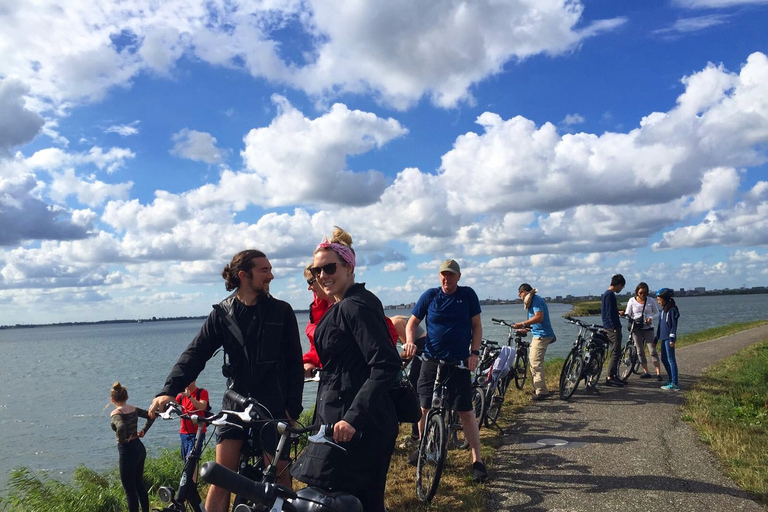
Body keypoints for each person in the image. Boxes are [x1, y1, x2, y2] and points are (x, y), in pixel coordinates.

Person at [148, 250, 304, 512]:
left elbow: (294, 365)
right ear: (244, 276)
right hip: (236, 400)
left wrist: (292, 409)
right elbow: (195, 354)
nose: (271, 275)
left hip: (274, 403)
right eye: (264, 270)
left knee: (278, 476)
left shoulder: (281, 311)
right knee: (219, 476)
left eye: (270, 269)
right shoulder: (222, 314)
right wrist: (168, 391)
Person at [291, 227, 401, 512]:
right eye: (317, 271)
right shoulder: (344, 305)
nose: (322, 276)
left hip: (357, 425)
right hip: (345, 420)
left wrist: (353, 418)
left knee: (351, 501)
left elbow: (385, 363)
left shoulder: (355, 306)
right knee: (351, 502)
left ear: (349, 266)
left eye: (330, 268)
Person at [402, 259, 488, 483]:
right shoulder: (430, 296)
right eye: (443, 274)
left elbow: (477, 326)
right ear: (439, 276)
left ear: (458, 277)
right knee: (424, 407)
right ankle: (423, 448)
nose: (447, 278)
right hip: (431, 360)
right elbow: (411, 324)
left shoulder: (467, 295)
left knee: (466, 412)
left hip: (458, 362)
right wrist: (410, 342)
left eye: (451, 275)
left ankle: (477, 459)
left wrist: (475, 353)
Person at [110, 382, 154, 512]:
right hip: (139, 447)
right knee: (139, 483)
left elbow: (121, 426)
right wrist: (144, 431)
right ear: (127, 397)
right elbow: (151, 415)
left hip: (127, 450)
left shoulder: (116, 413)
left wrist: (123, 440)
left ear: (112, 399)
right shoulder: (133, 409)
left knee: (129, 489)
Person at [512, 283, 556, 400]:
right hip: (538, 333)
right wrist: (526, 328)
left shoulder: (535, 300)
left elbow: (539, 317)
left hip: (542, 336)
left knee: (535, 362)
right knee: (534, 362)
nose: (519, 296)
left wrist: (522, 323)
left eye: (519, 294)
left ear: (523, 291)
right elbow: (536, 321)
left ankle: (541, 391)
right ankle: (538, 387)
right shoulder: (533, 300)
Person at [391, 314, 426, 443]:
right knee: (414, 385)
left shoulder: (395, 324)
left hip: (421, 346)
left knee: (414, 388)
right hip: (419, 346)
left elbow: (408, 351)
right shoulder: (394, 321)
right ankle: (416, 431)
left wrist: (396, 364)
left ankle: (416, 433)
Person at [302, 263, 334, 378]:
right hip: (330, 381)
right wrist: (308, 361)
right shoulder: (318, 312)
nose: (309, 287)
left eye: (310, 282)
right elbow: (317, 348)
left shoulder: (348, 307)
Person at [624, 282, 661, 380]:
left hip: (648, 328)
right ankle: (646, 371)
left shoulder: (650, 300)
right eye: (640, 292)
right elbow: (628, 313)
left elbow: (657, 313)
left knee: (652, 350)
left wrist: (651, 318)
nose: (642, 295)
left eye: (645, 293)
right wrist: (623, 314)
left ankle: (658, 373)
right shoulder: (631, 301)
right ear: (636, 292)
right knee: (640, 351)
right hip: (636, 329)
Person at [602, 273, 627, 387]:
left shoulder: (607, 294)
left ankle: (614, 375)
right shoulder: (610, 294)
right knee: (616, 352)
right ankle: (610, 377)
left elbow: (610, 311)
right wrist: (613, 327)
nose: (621, 289)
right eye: (622, 287)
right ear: (619, 284)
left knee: (616, 352)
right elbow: (608, 313)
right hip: (612, 328)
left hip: (610, 326)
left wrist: (617, 312)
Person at [175, 380, 209, 463]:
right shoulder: (181, 396)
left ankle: (192, 475)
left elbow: (202, 406)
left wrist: (190, 397)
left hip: (197, 432)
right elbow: (173, 403)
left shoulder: (202, 392)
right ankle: (188, 475)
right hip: (184, 432)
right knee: (185, 459)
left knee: (192, 459)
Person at [656, 288, 681, 390]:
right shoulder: (663, 311)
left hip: (668, 339)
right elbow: (659, 325)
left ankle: (675, 384)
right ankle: (671, 379)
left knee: (671, 360)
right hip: (663, 338)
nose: (658, 302)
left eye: (659, 299)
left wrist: (672, 339)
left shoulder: (671, 310)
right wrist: (656, 338)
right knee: (663, 359)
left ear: (665, 299)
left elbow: (673, 326)